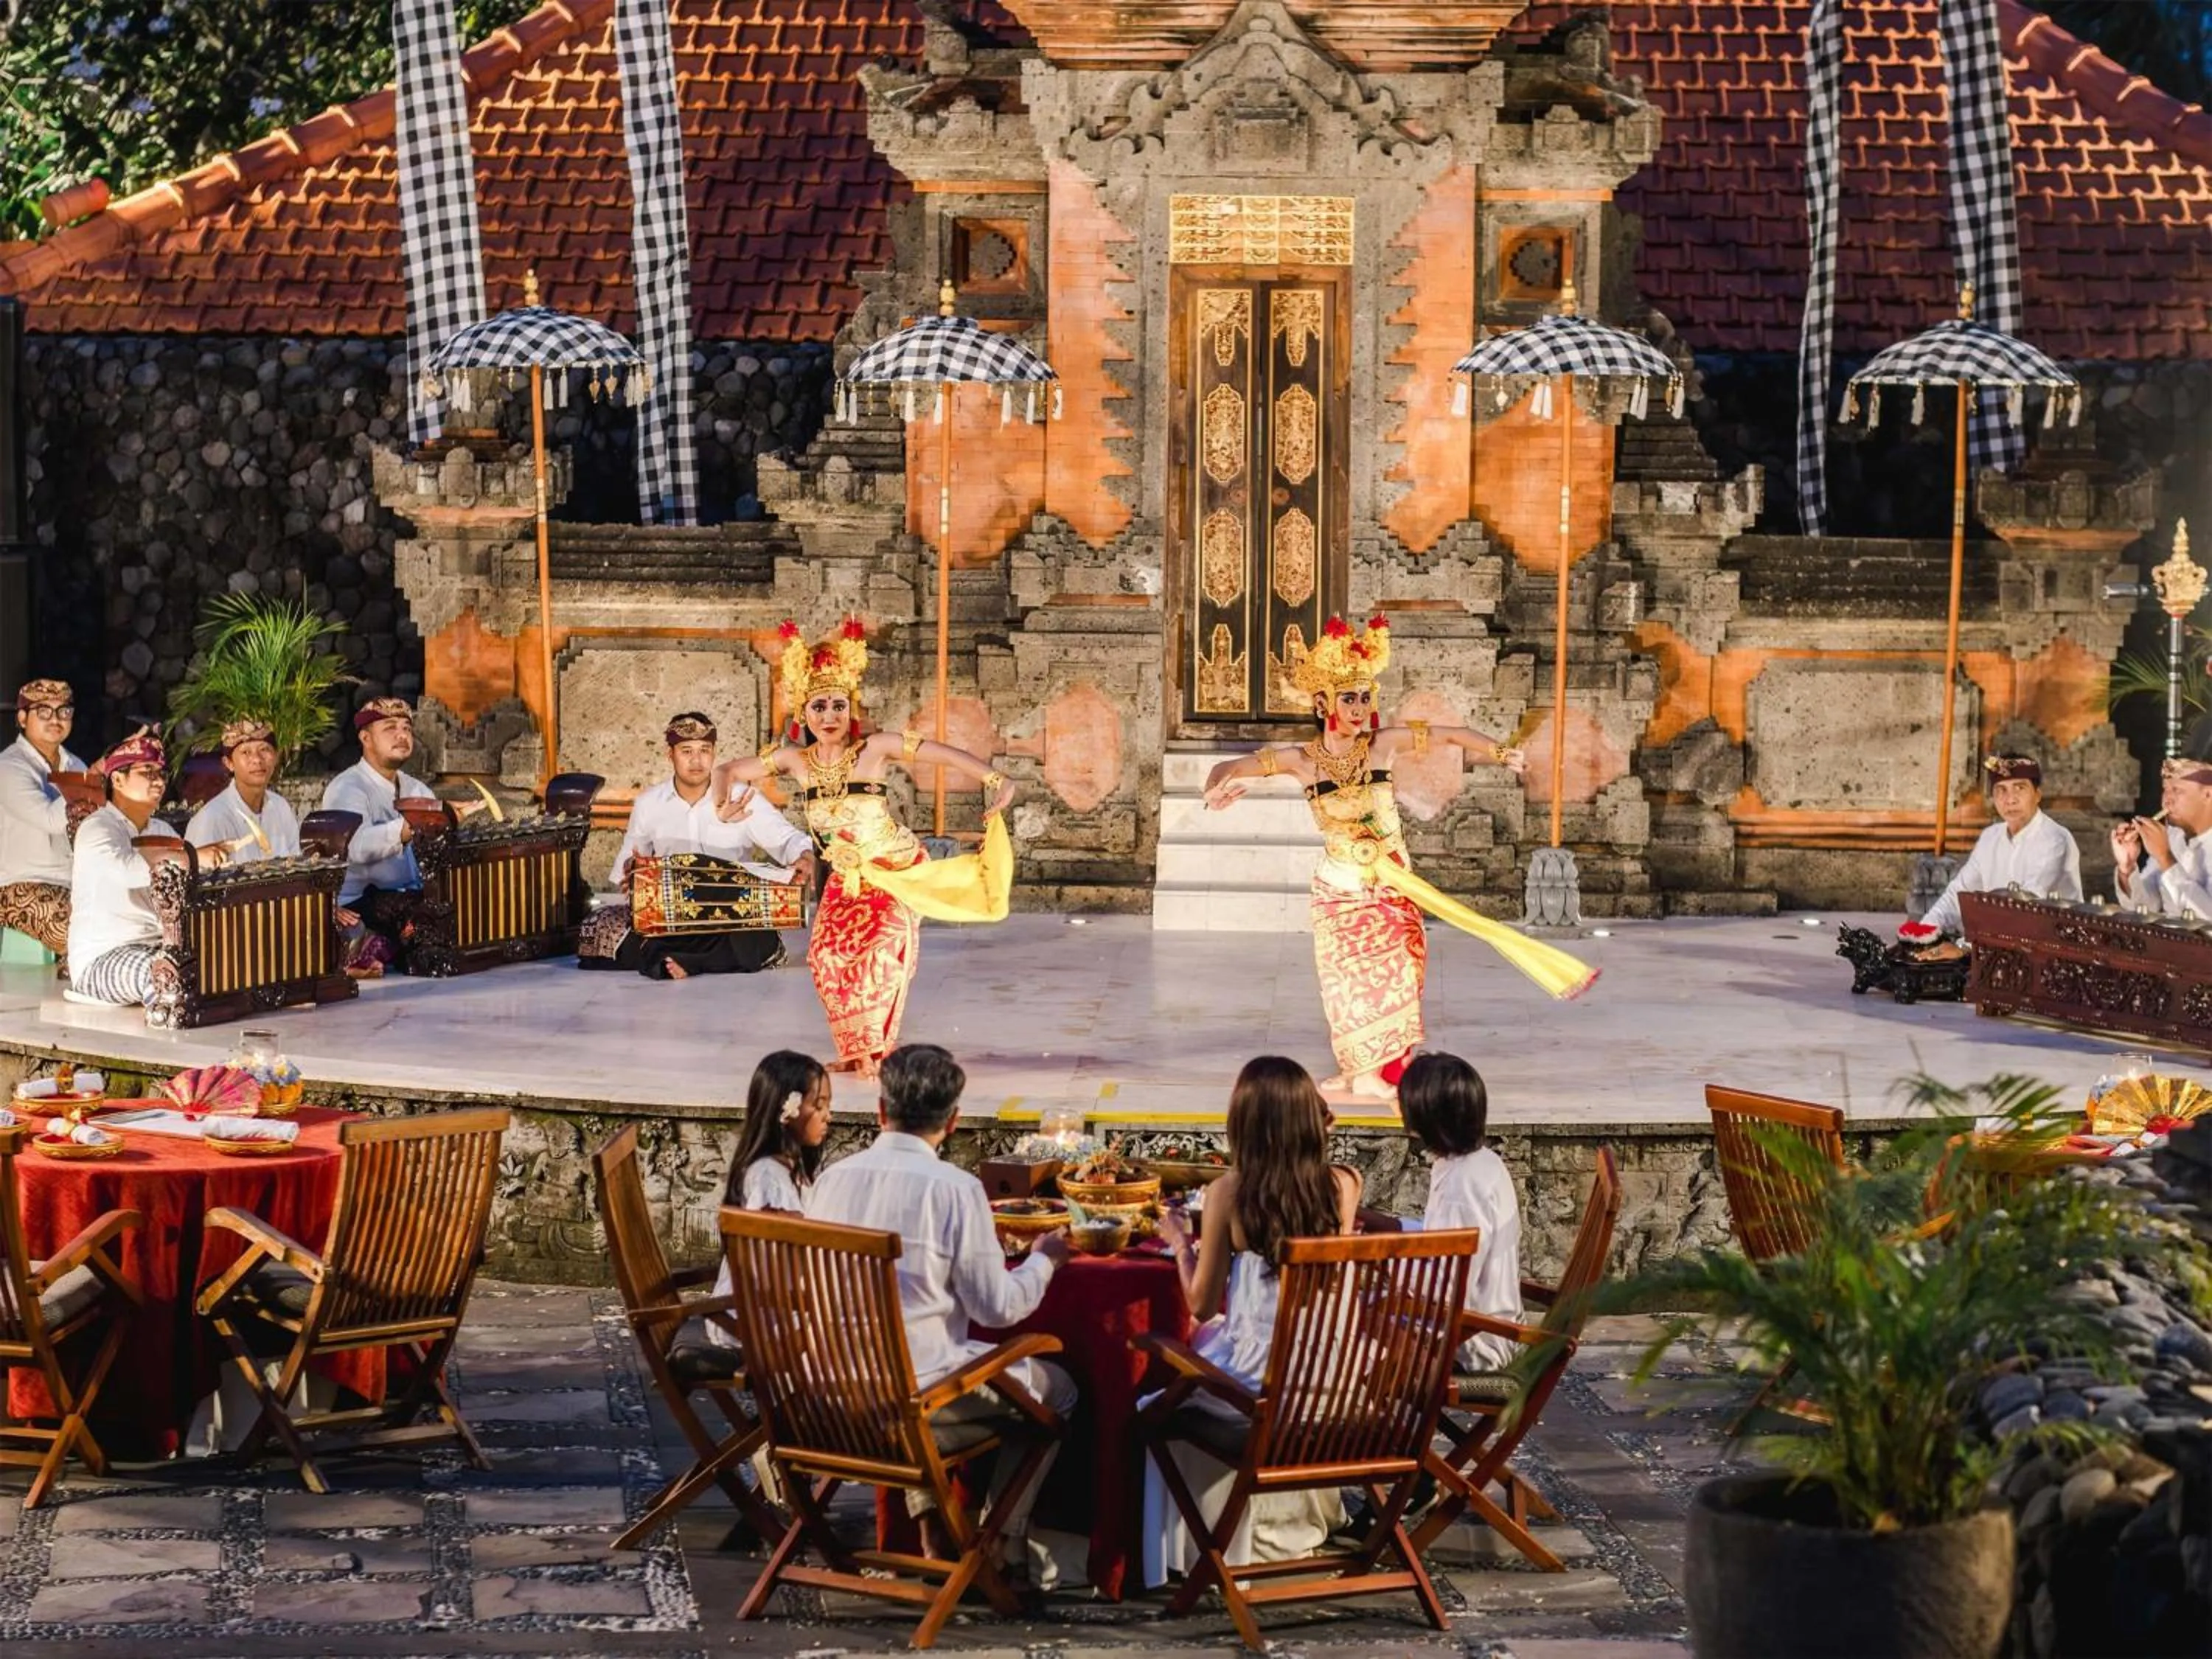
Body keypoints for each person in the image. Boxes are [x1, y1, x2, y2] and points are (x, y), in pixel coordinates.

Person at [1201, 615, 1594, 1102]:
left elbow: (1451, 735)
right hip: (1340, 893)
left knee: (1401, 975)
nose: (1361, 707)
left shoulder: (1382, 745)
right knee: (1345, 988)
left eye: (1366, 697)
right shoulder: (1299, 760)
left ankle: (1384, 1071)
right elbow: (1229, 766)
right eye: (1350, 698)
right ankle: (1356, 1069)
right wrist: (1218, 786)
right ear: (1323, 703)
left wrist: (1501, 753)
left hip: (1391, 887)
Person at [711, 619, 1017, 1077]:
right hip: (847, 876)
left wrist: (996, 778)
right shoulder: (795, 761)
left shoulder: (874, 749)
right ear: (805, 713)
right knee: (826, 955)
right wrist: (721, 806)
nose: (829, 715)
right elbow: (729, 769)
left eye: (838, 705)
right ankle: (856, 1048)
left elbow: (941, 753)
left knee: (880, 948)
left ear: (848, 709)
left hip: (894, 869)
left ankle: (877, 1048)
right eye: (819, 706)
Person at [807, 1043, 1075, 1563]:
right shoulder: (954, 1190)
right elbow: (997, 1310)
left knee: (918, 1356)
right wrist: (1045, 1259)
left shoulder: (830, 1182)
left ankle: (935, 1528)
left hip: (823, 1398)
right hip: (911, 1403)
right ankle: (995, 1541)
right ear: (953, 1121)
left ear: (882, 1111)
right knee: (1060, 1390)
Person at [1144, 1056, 1362, 1587]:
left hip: (1264, 1393)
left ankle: (1193, 1546)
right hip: (1335, 1386)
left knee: (1152, 1396)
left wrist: (1178, 1242)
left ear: (1241, 1124)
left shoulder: (1230, 1194)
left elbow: (1200, 1304)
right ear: (1314, 1118)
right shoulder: (1344, 1186)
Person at [582, 712, 818, 980]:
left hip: (730, 918)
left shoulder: (741, 797)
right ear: (670, 755)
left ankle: (679, 961)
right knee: (599, 925)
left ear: (714, 753)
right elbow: (630, 861)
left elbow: (788, 838)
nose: (697, 760)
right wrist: (631, 873)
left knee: (758, 935)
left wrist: (805, 856)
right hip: (674, 917)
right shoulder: (649, 802)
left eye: (704, 750)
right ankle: (699, 960)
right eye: (686, 751)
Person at [1399, 1051, 1525, 1371]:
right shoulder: (1481, 1163)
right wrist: (1393, 1227)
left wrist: (1381, 1265)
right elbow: (1443, 1244)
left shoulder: (1462, 1188)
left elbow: (1444, 1291)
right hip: (1481, 1325)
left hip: (1473, 1343)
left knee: (1349, 1315)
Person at [706, 1051, 833, 1352]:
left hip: (774, 1305)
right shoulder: (768, 1178)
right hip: (752, 1318)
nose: (828, 1115)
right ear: (786, 1111)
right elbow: (782, 1261)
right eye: (819, 1105)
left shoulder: (789, 1166)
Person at [1900, 754, 2083, 946]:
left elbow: (2026, 911)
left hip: (2054, 950)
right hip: (1997, 948)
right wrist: (1925, 932)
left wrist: (1964, 948)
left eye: (2020, 788)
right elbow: (1959, 893)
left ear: (2037, 795)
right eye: (2001, 790)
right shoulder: (1990, 837)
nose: (2010, 799)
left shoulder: (2054, 839)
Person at [66, 728, 191, 1006]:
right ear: (119, 780)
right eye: (147, 772)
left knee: (212, 964)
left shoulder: (163, 829)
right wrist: (193, 858)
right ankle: (166, 1040)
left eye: (161, 774)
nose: (158, 781)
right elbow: (129, 872)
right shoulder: (97, 827)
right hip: (103, 956)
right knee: (167, 976)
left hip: (158, 945)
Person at [321, 697, 433, 970]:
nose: (402, 735)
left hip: (410, 895)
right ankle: (363, 946)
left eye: (407, 728)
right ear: (365, 738)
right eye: (390, 728)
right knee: (427, 938)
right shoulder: (346, 787)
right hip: (362, 901)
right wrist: (406, 830)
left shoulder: (417, 789)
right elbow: (355, 847)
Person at [0, 678, 89, 958]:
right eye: (44, 712)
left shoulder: (75, 765)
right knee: (81, 934)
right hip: (18, 886)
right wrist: (90, 781)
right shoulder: (8, 766)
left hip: (72, 883)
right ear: (23, 717)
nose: (56, 719)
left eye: (64, 711)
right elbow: (51, 819)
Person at [184, 718, 302, 863]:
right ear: (229, 764)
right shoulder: (212, 819)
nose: (257, 760)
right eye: (246, 752)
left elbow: (296, 864)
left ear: (276, 757)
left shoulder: (280, 807)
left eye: (264, 749)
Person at [2114, 758, 2212, 921]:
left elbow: (2208, 919)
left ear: (2208, 794)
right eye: (2165, 789)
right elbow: (2147, 907)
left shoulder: (2165, 845)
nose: (2167, 799)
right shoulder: (2172, 836)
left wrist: (2165, 858)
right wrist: (2127, 869)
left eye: (2177, 790)